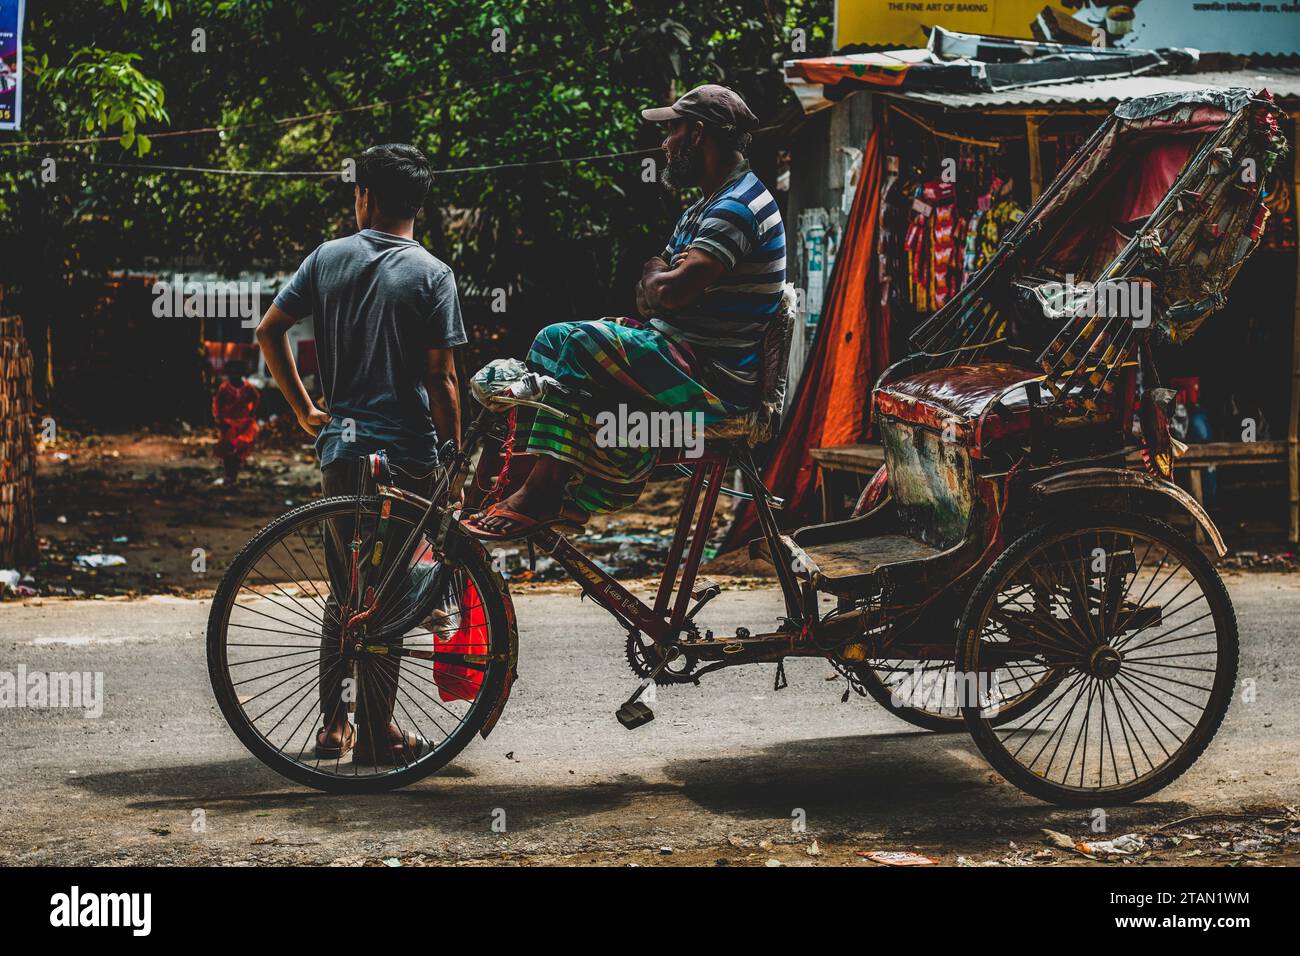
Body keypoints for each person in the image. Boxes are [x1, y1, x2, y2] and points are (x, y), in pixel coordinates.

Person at [465, 84, 785, 539]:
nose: (664, 144)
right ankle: (539, 484)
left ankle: (546, 491)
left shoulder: (736, 208)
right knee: (550, 340)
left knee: (576, 342)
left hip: (712, 379)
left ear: (696, 134)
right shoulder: (709, 203)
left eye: (671, 130)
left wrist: (658, 273)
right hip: (681, 355)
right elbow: (649, 296)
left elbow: (667, 293)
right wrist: (660, 281)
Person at [256, 143, 466, 764]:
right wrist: (453, 459)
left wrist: (303, 409)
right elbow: (442, 381)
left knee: (347, 587)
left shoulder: (328, 260)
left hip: (342, 452)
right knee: (391, 591)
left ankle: (332, 726)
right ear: (417, 206)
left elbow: (270, 331)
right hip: (407, 455)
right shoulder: (433, 275)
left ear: (365, 196)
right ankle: (378, 734)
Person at [211, 359, 260, 485]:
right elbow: (217, 403)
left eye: (237, 372)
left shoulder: (248, 387)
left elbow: (256, 398)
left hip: (243, 424)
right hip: (228, 423)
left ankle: (234, 475)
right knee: (228, 449)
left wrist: (252, 412)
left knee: (239, 449)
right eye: (231, 372)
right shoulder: (224, 387)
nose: (234, 375)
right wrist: (217, 417)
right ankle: (228, 474)